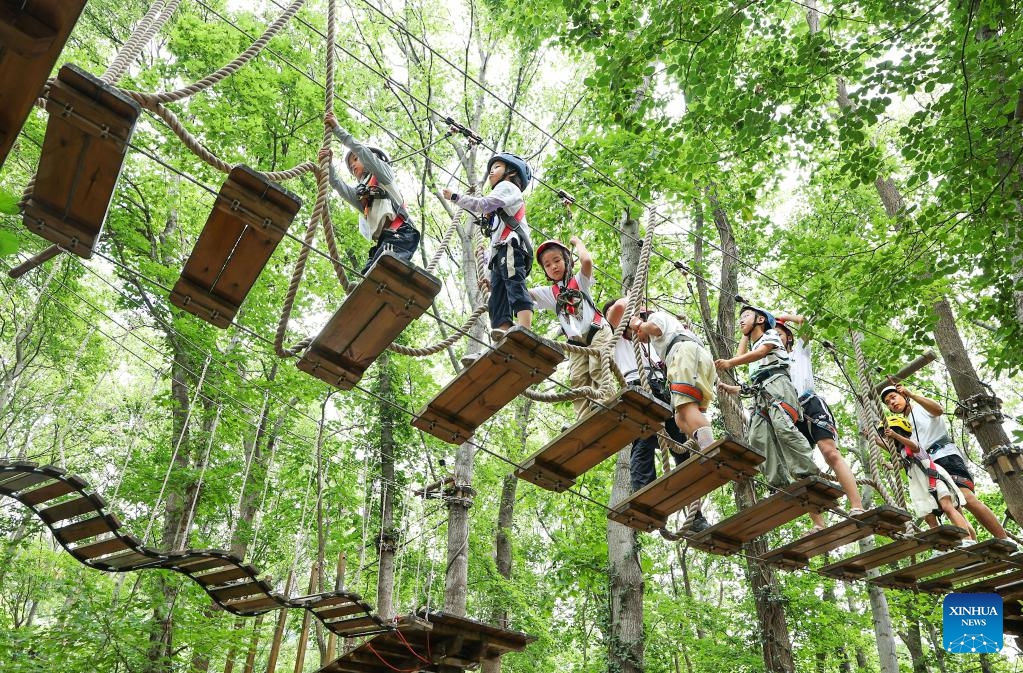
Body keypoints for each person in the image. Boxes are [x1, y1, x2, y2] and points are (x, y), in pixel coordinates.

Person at [715, 305, 825, 531]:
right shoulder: (753, 346)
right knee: (757, 439)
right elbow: (743, 358)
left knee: (784, 430)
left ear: (761, 319)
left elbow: (759, 352)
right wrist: (731, 385)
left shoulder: (771, 336)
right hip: (760, 393)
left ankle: (808, 473)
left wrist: (772, 319)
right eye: (740, 318)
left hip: (778, 387)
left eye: (745, 316)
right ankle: (778, 485)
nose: (741, 321)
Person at [605, 299, 711, 532]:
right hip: (638, 386)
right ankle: (644, 494)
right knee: (642, 440)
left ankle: (696, 515)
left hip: (663, 385)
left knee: (681, 445)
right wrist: (634, 300)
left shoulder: (650, 331)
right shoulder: (617, 332)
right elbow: (617, 311)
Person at [880, 384, 1009, 540]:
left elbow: (938, 410)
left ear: (903, 395)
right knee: (953, 507)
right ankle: (971, 544)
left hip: (944, 456)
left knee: (966, 498)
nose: (891, 402)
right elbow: (908, 452)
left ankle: (1004, 539)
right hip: (928, 466)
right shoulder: (903, 426)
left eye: (893, 397)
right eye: (887, 402)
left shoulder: (920, 408)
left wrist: (911, 394)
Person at [773, 315, 865, 515]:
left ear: (788, 338)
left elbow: (805, 323)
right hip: (790, 414)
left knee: (829, 452)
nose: (775, 338)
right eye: (771, 335)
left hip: (810, 404)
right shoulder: (769, 364)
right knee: (800, 465)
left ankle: (856, 505)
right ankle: (818, 522)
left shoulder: (799, 351)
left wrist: (782, 318)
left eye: (778, 334)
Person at [443, 153, 534, 340]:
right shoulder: (496, 213)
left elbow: (483, 204)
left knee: (514, 285)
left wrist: (456, 197)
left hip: (512, 244)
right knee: (497, 296)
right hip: (500, 249)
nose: (491, 171)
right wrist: (488, 276)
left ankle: (525, 329)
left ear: (511, 173)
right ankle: (504, 328)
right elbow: (493, 243)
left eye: (497, 167)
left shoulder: (507, 187)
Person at [321, 113, 420, 272]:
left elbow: (362, 152)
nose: (352, 166)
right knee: (366, 275)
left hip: (401, 233)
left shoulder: (384, 175)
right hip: (385, 240)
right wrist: (329, 165)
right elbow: (337, 185)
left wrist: (338, 130)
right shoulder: (362, 196)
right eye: (350, 165)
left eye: (355, 160)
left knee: (382, 269)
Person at [529, 237, 611, 418]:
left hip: (597, 331)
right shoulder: (550, 293)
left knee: (597, 368)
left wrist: (578, 243)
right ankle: (582, 418)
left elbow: (587, 261)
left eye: (557, 261)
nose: (553, 267)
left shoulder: (580, 281)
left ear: (567, 261)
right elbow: (523, 294)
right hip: (575, 342)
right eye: (548, 265)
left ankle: (606, 404)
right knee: (578, 378)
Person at [626, 309, 718, 452]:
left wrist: (637, 323)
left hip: (685, 354)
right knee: (680, 418)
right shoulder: (672, 332)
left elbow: (656, 328)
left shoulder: (656, 317)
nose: (637, 337)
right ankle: (705, 444)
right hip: (696, 359)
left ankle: (710, 448)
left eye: (635, 332)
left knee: (686, 407)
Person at [872, 414, 975, 541]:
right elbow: (903, 462)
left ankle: (968, 540)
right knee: (929, 516)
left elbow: (913, 447)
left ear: (898, 431)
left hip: (933, 478)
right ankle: (940, 544)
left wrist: (895, 435)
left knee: (948, 507)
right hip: (920, 485)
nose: (886, 438)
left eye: (886, 435)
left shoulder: (913, 443)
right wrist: (888, 461)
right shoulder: (902, 452)